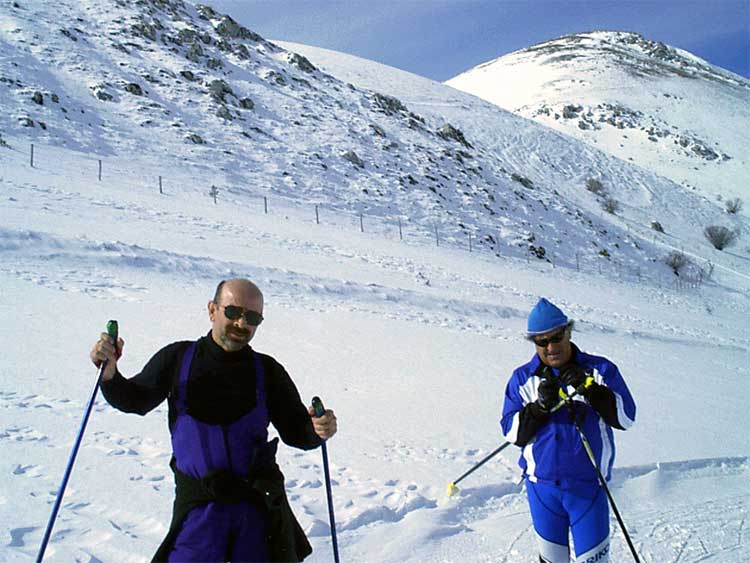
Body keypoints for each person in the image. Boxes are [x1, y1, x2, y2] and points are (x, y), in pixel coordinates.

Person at [90, 278, 338, 563]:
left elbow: (298, 432)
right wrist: (109, 375)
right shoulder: (178, 358)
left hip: (256, 515)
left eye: (253, 317)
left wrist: (318, 429)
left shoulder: (267, 371)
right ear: (212, 310)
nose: (242, 323)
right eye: (233, 312)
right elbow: (135, 399)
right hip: (198, 514)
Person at [500, 298, 636, 563]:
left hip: (588, 489)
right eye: (542, 341)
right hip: (542, 490)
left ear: (568, 332)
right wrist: (539, 408)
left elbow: (626, 418)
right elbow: (512, 434)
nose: (551, 347)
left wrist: (591, 390)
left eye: (557, 336)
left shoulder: (600, 370)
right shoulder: (522, 379)